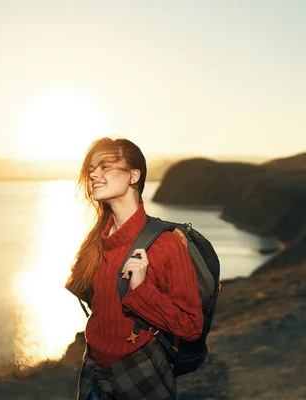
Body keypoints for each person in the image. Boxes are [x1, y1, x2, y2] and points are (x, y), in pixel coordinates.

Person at [65, 137, 203, 399]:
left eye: (105, 166)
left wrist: (141, 291)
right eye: (91, 168)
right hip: (94, 373)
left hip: (141, 374)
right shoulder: (96, 242)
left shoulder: (165, 244)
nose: (94, 173)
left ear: (133, 176)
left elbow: (191, 325)